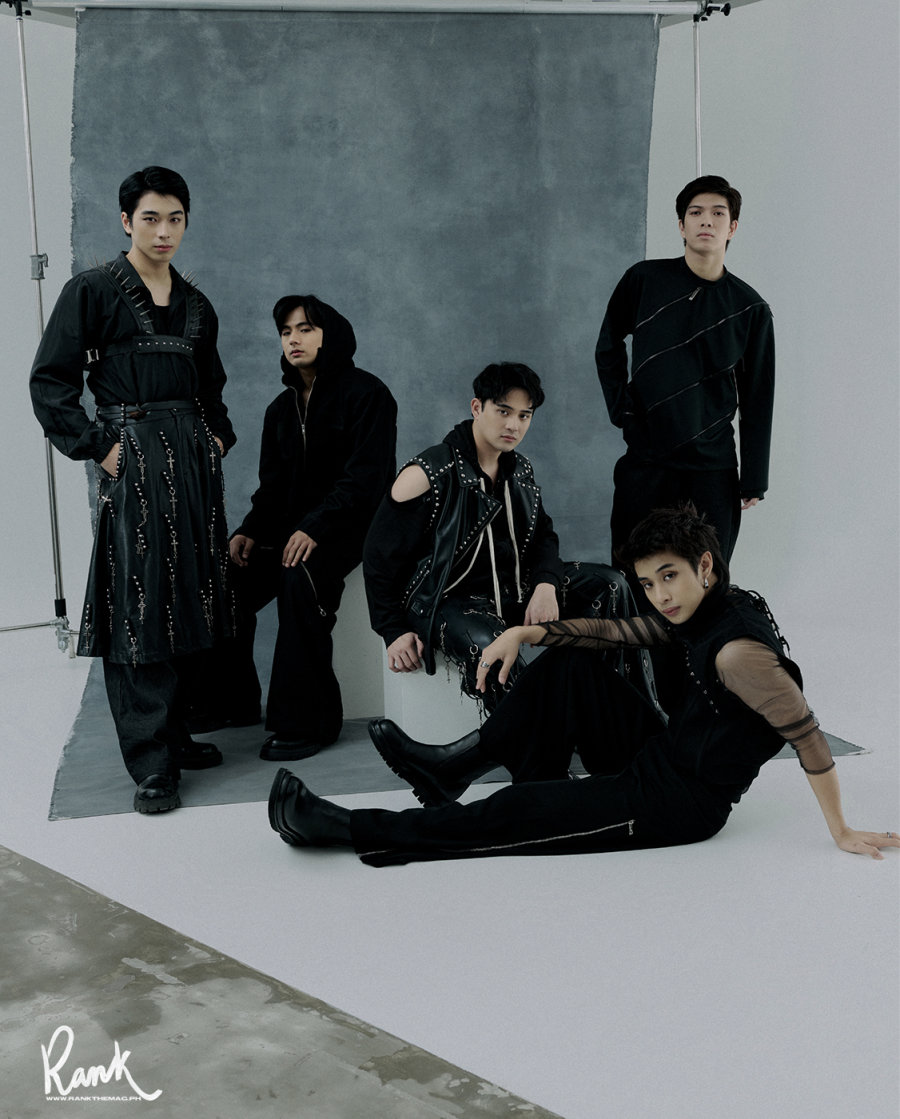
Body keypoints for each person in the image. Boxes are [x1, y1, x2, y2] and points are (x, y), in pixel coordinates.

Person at [267, 504, 898, 866]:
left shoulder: (738, 655)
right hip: (661, 752)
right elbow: (619, 632)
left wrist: (841, 830)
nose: (661, 596)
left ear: (705, 564)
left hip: (677, 804)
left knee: (514, 815)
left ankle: (339, 827)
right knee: (573, 666)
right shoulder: (713, 605)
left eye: (670, 576)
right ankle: (453, 769)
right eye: (648, 583)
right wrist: (526, 633)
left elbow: (807, 736)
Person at [30, 166, 235, 814]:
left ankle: (175, 734)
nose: (164, 230)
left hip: (192, 462)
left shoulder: (197, 305)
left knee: (189, 591)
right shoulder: (92, 290)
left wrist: (216, 440)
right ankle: (151, 765)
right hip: (134, 454)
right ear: (126, 221)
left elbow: (212, 387)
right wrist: (99, 445)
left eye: (175, 218)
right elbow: (50, 381)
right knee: (137, 601)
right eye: (151, 218)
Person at [363, 362, 644, 712]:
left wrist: (546, 584)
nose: (514, 425)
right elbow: (377, 557)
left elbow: (543, 538)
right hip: (447, 601)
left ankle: (626, 717)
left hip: (512, 590)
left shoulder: (519, 470)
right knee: (491, 644)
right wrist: (392, 630)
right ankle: (539, 739)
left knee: (612, 584)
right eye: (503, 411)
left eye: (524, 416)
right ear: (477, 407)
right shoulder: (428, 473)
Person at [222, 294, 397, 761]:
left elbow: (365, 479)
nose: (294, 339)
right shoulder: (280, 410)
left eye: (305, 329)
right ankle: (232, 702)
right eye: (286, 332)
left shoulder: (368, 394)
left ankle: (309, 722)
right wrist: (249, 530)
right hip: (296, 528)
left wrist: (316, 526)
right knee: (227, 574)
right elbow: (272, 488)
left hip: (358, 525)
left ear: (329, 335)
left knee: (299, 577)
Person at [596, 175, 774, 563]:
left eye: (717, 213)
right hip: (647, 459)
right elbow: (608, 346)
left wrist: (754, 478)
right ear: (681, 225)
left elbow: (758, 397)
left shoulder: (750, 308)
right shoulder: (644, 280)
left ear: (733, 228)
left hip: (712, 468)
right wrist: (623, 411)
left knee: (705, 579)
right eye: (695, 212)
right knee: (633, 573)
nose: (706, 220)